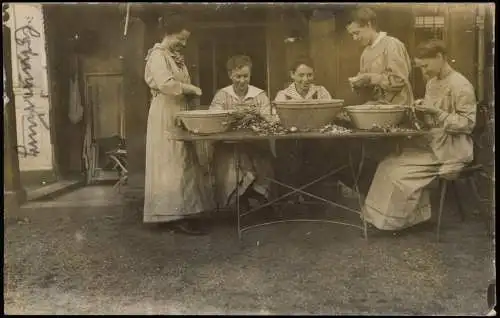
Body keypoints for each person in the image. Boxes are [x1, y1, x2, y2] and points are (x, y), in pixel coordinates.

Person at [362, 39, 477, 231]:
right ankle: (383, 220)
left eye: (426, 65)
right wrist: (420, 110)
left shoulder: (461, 85)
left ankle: (399, 222)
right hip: (435, 143)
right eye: (420, 67)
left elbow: (468, 125)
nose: (424, 72)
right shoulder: (432, 83)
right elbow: (432, 117)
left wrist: (436, 112)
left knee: (398, 173)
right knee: (387, 164)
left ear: (440, 57)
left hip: (454, 149)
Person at [143, 16, 215, 235]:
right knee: (170, 160)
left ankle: (183, 211)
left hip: (179, 109)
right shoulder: (157, 56)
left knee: (183, 160)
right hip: (165, 111)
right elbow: (165, 84)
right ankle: (171, 214)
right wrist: (191, 89)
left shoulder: (174, 57)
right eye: (181, 39)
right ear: (169, 33)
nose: (183, 44)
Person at [209, 55, 278, 210]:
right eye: (237, 76)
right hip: (229, 145)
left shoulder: (259, 95)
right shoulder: (222, 95)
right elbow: (213, 118)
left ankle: (260, 196)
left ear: (250, 75)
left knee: (262, 160)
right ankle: (240, 198)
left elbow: (270, 119)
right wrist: (232, 115)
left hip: (255, 143)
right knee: (233, 160)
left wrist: (258, 114)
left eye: (245, 76)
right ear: (230, 75)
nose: (242, 80)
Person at [346, 7, 414, 106]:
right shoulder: (365, 54)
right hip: (378, 107)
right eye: (352, 35)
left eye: (356, 33)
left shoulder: (392, 44)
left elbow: (399, 80)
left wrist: (370, 78)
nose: (355, 38)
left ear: (368, 24)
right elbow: (368, 90)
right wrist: (359, 84)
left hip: (398, 108)